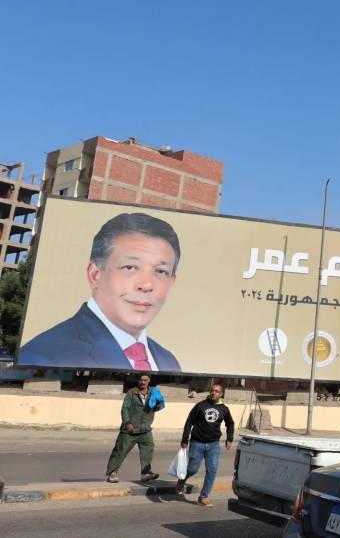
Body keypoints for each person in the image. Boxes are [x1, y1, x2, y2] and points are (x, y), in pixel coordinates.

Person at [17, 213, 182, 372]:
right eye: (130, 267)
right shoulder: (42, 356)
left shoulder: (168, 361)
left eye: (161, 271)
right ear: (95, 274)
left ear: (171, 283)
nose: (146, 285)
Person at [175, 383, 234, 506]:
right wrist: (185, 440)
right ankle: (182, 479)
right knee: (192, 469)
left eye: (216, 391)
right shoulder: (201, 406)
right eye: (212, 390)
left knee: (212, 470)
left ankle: (203, 497)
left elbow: (230, 423)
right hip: (197, 442)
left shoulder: (224, 409)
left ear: (221, 394)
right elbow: (189, 421)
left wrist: (229, 438)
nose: (213, 393)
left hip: (213, 444)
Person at [105, 373, 165, 483]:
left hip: (145, 429)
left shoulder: (153, 393)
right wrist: (127, 422)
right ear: (138, 381)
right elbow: (125, 408)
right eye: (141, 380)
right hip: (130, 430)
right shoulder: (131, 393)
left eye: (145, 380)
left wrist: (158, 402)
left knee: (148, 449)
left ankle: (145, 473)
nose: (143, 382)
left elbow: (159, 407)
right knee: (120, 450)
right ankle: (112, 473)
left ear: (149, 381)